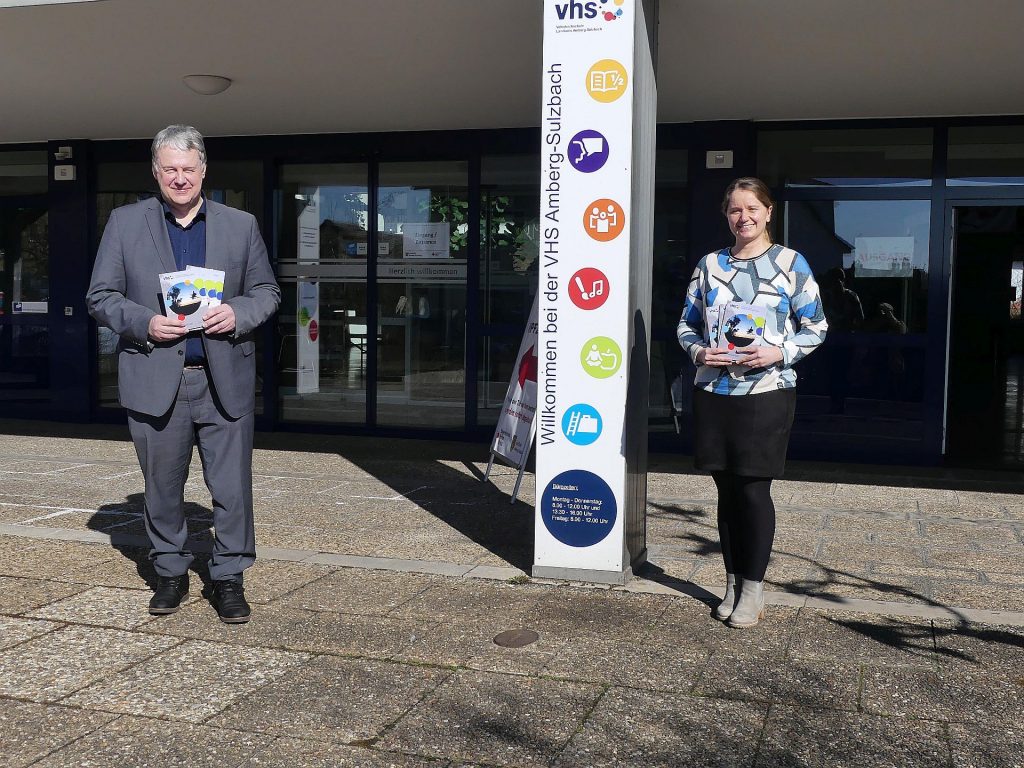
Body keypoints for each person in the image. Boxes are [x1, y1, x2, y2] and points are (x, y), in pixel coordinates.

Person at [87, 125, 280, 623]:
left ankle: (229, 577)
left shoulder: (240, 225)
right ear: (155, 172)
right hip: (155, 376)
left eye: (188, 169)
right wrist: (144, 322)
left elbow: (267, 291)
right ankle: (170, 572)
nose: (179, 178)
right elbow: (101, 296)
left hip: (224, 379)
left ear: (203, 171)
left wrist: (239, 312)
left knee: (233, 489)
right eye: (169, 169)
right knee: (162, 487)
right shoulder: (125, 223)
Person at [677, 177, 827, 628]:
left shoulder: (790, 263)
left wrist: (778, 351)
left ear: (768, 212)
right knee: (724, 490)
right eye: (734, 211)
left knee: (752, 489)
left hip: (766, 392)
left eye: (751, 209)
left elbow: (816, 327)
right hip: (715, 392)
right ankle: (731, 580)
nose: (743, 218)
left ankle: (754, 590)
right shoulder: (710, 265)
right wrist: (701, 352)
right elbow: (686, 326)